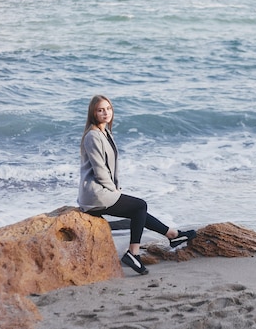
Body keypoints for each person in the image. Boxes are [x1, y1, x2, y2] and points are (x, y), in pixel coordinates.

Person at [78, 95, 197, 275]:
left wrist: (114, 189)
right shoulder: (93, 136)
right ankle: (134, 252)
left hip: (102, 190)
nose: (105, 113)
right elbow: (100, 170)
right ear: (93, 113)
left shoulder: (104, 132)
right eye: (100, 110)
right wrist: (114, 190)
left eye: (108, 109)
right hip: (95, 194)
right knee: (140, 205)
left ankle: (172, 235)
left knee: (137, 209)